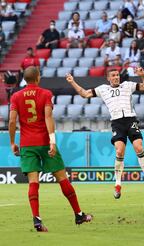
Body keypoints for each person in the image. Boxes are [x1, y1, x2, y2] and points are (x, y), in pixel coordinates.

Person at [9, 66, 92, 232]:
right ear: (38, 77)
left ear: (25, 79)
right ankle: (78, 214)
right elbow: (48, 117)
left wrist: (12, 142)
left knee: (33, 182)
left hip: (27, 144)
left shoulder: (16, 96)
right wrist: (52, 141)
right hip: (45, 142)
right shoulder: (45, 94)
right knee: (62, 178)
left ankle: (37, 220)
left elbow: (12, 122)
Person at [66, 67, 144, 199]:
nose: (116, 77)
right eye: (113, 75)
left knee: (139, 147)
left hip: (130, 119)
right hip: (117, 123)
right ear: (108, 78)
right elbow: (84, 94)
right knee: (119, 151)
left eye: (117, 75)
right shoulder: (103, 89)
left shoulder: (128, 85)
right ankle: (118, 184)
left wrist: (142, 76)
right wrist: (72, 82)